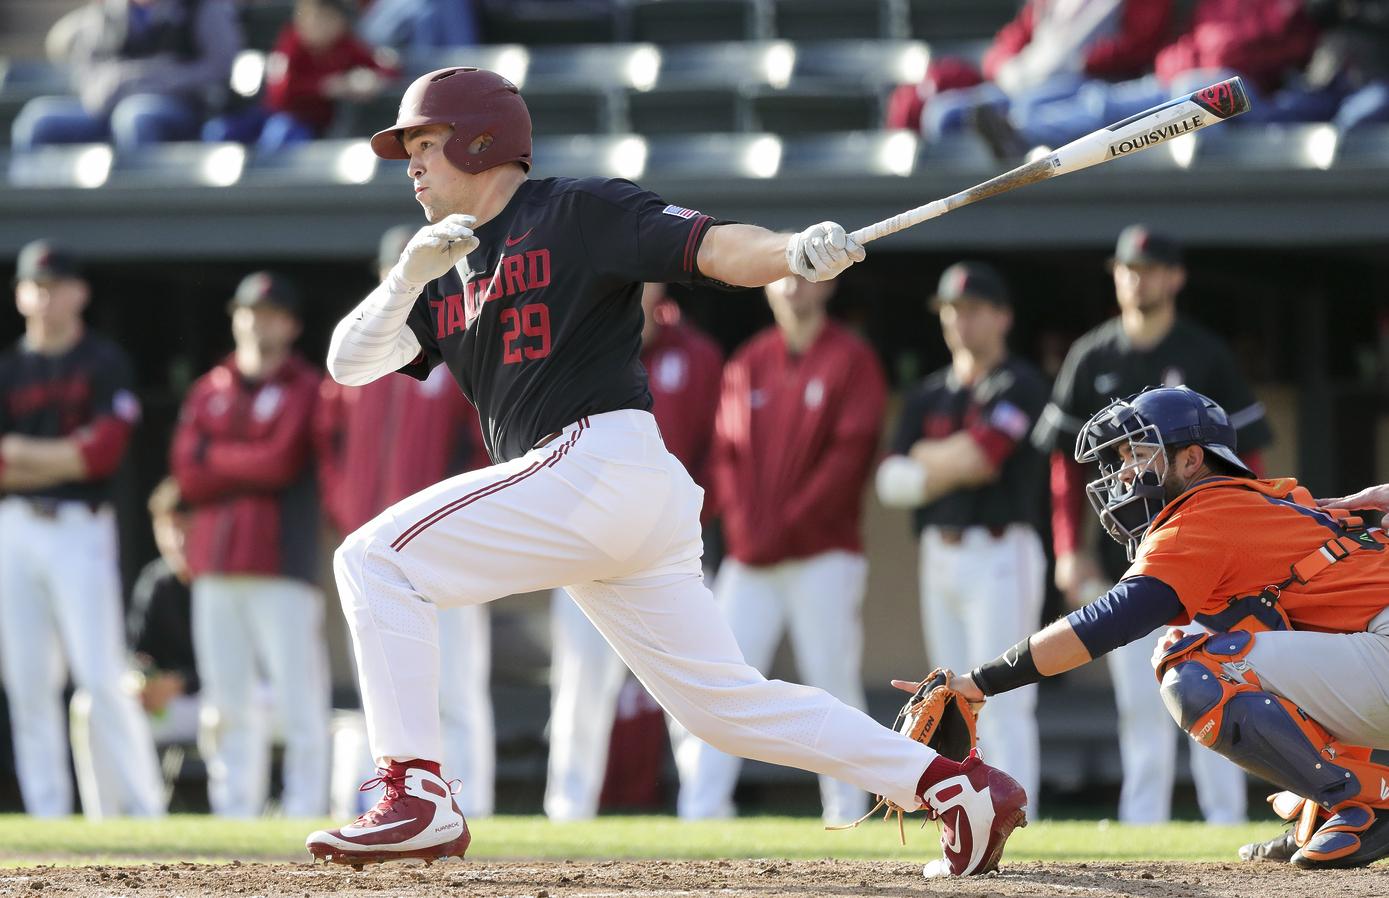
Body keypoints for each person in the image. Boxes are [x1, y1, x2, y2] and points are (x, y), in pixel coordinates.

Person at [304, 65, 1026, 877]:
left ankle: (417, 793)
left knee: (373, 559)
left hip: (597, 458)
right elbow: (347, 365)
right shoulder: (443, 268)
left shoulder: (576, 210)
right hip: (608, 497)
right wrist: (405, 277)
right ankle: (954, 786)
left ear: (481, 141)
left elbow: (712, 247)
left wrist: (792, 252)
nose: (412, 166)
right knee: (726, 711)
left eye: (426, 145)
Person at [933, 385, 1389, 868]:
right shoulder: (1254, 505)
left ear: (1192, 459)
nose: (1126, 472)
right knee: (1235, 657)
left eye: (1140, 453)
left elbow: (1107, 622)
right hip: (1374, 653)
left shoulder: (1206, 512)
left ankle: (1359, 804)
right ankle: (1329, 809)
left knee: (1191, 664)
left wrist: (983, 682)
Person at [1032, 225, 1270, 825]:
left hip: (1207, 556)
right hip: (1131, 554)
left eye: (1148, 268)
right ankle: (1144, 825)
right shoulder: (1093, 354)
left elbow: (1248, 461)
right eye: (1126, 268)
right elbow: (1067, 464)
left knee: (1218, 685)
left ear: (1174, 276)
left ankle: (1225, 819)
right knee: (1141, 705)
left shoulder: (1205, 352)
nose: (1136, 278)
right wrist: (1069, 548)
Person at [676, 274, 885, 825]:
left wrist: (782, 526)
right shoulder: (747, 360)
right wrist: (746, 528)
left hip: (824, 552)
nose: (791, 287)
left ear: (829, 286)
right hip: (752, 557)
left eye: (804, 276)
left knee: (831, 680)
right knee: (718, 680)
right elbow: (725, 455)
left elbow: (849, 458)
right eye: (780, 276)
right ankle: (702, 810)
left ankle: (846, 812)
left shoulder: (853, 359)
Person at [315, 225, 496, 819]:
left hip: (447, 545)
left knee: (459, 690)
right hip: (373, 551)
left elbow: (485, 446)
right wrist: (349, 512)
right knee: (388, 683)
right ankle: (401, 805)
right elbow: (327, 448)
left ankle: (481, 811)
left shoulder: (456, 347)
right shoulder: (353, 367)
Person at [875, 262, 1049, 817]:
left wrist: (929, 461)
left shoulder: (1019, 382)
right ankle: (968, 813)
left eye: (972, 309)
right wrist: (943, 462)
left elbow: (982, 459)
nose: (959, 321)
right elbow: (890, 481)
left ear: (1002, 317)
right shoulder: (930, 394)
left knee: (1007, 692)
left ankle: (1021, 813)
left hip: (1001, 550)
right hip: (940, 553)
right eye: (951, 310)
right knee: (947, 698)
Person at [545, 282, 723, 822]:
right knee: (579, 687)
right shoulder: (571, 342)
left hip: (669, 549)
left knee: (698, 686)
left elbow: (721, 452)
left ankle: (703, 812)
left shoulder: (698, 354)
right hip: (586, 545)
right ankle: (567, 812)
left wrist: (689, 520)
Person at [0, 240, 164, 818]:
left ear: (80, 293)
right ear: (21, 295)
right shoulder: (10, 368)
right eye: (35, 287)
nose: (46, 297)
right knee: (26, 682)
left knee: (101, 674)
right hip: (14, 527)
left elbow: (99, 455)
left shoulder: (103, 362)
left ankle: (144, 812)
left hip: (79, 525)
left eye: (56, 285)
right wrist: (59, 455)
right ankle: (48, 813)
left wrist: (19, 451)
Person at [170, 271, 330, 818]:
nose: (258, 325)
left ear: (291, 326)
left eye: (270, 315)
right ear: (235, 318)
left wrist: (217, 460)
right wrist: (236, 462)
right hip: (214, 563)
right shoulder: (208, 387)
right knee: (226, 700)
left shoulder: (308, 385)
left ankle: (306, 807)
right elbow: (185, 475)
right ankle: (234, 808)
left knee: (299, 700)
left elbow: (279, 462)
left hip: (282, 562)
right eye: (248, 313)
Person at [970, 0, 1317, 156]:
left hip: (1253, 96)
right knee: (1140, 92)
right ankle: (1022, 126)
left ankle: (1027, 132)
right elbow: (1183, 49)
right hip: (1192, 80)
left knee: (1193, 87)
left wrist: (1190, 59)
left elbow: (1239, 51)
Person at [71, 476, 202, 816]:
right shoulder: (156, 582)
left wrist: (182, 682)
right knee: (92, 705)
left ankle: (238, 813)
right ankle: (114, 819)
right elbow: (135, 651)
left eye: (185, 527)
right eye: (168, 528)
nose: (178, 540)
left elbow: (240, 666)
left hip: (217, 700)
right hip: (169, 705)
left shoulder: (225, 582)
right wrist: (141, 680)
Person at [11, 0, 241, 152]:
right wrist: (109, 86)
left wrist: (155, 79)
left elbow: (219, 67)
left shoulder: (202, 6)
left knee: (136, 116)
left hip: (182, 105)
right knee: (38, 120)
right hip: (108, 104)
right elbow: (86, 69)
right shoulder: (108, 9)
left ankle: (142, 218)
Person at [203, 0, 397, 153]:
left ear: (340, 22)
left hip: (313, 124)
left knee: (282, 134)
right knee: (220, 131)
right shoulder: (293, 42)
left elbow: (386, 68)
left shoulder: (346, 45)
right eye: (311, 18)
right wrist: (325, 86)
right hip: (276, 113)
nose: (315, 25)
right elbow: (283, 92)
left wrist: (371, 79)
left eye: (324, 18)